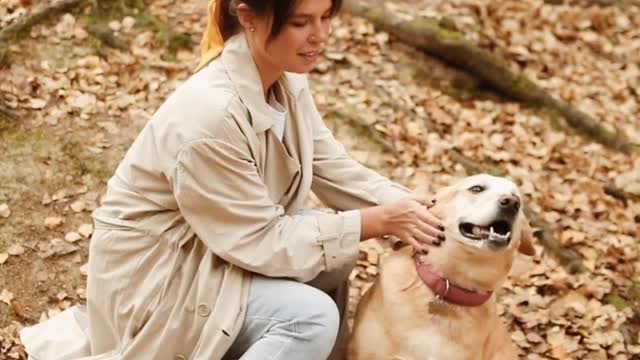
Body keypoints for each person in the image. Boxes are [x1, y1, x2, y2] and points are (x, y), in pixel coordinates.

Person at [20, 0, 445, 359]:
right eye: (300, 22)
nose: (320, 35)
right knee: (309, 318)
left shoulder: (286, 78)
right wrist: (377, 222)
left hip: (217, 244)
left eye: (326, 17)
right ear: (247, 16)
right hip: (161, 274)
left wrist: (424, 211)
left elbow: (333, 165)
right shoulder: (211, 114)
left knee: (336, 257)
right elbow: (262, 238)